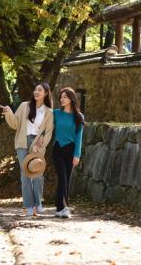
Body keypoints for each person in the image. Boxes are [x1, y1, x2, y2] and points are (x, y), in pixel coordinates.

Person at [1, 82, 54, 217]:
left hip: (37, 144)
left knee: (37, 173)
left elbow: (48, 132)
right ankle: (29, 206)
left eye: (40, 90)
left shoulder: (49, 112)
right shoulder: (25, 106)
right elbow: (15, 124)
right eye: (35, 89)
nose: (36, 92)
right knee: (25, 175)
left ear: (46, 93)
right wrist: (8, 112)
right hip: (22, 142)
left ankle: (38, 203)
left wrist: (40, 145)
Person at [53, 87, 84, 218]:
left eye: (65, 96)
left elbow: (79, 137)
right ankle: (64, 208)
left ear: (71, 98)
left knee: (67, 180)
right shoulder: (55, 113)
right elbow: (45, 127)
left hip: (70, 149)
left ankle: (59, 209)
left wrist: (77, 155)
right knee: (62, 178)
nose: (62, 99)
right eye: (61, 96)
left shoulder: (78, 116)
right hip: (58, 148)